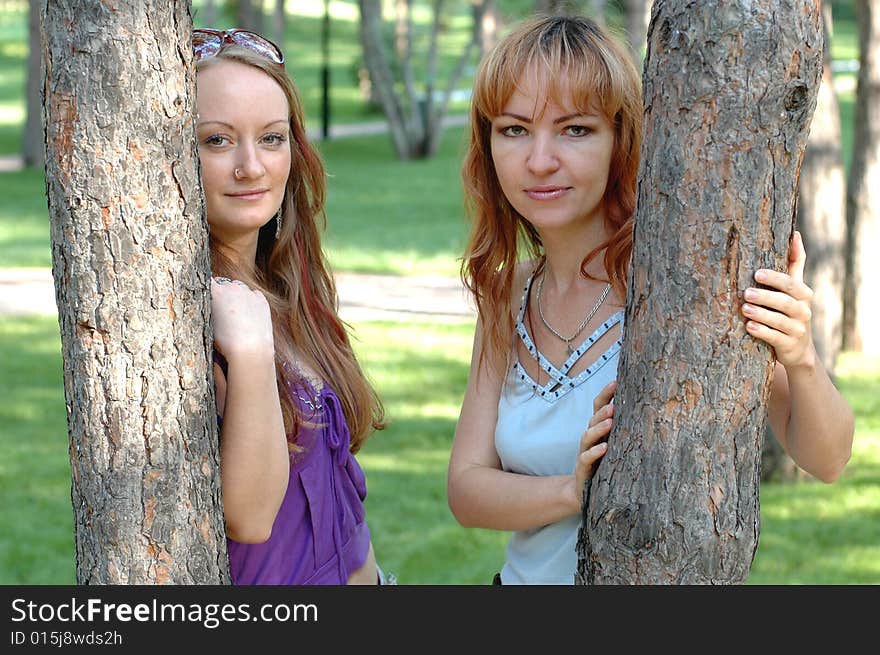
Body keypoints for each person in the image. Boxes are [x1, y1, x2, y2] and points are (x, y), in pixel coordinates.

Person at [446, 14, 854, 585]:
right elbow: (466, 489)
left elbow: (829, 459)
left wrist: (802, 357)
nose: (539, 160)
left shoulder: (680, 287)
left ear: (622, 139)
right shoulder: (508, 291)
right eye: (514, 129)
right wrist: (573, 490)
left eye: (575, 129)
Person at [192, 28, 389, 584]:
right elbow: (252, 518)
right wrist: (252, 351)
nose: (251, 166)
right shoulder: (197, 319)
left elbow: (345, 527)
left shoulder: (285, 290)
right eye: (217, 140)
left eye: (271, 138)